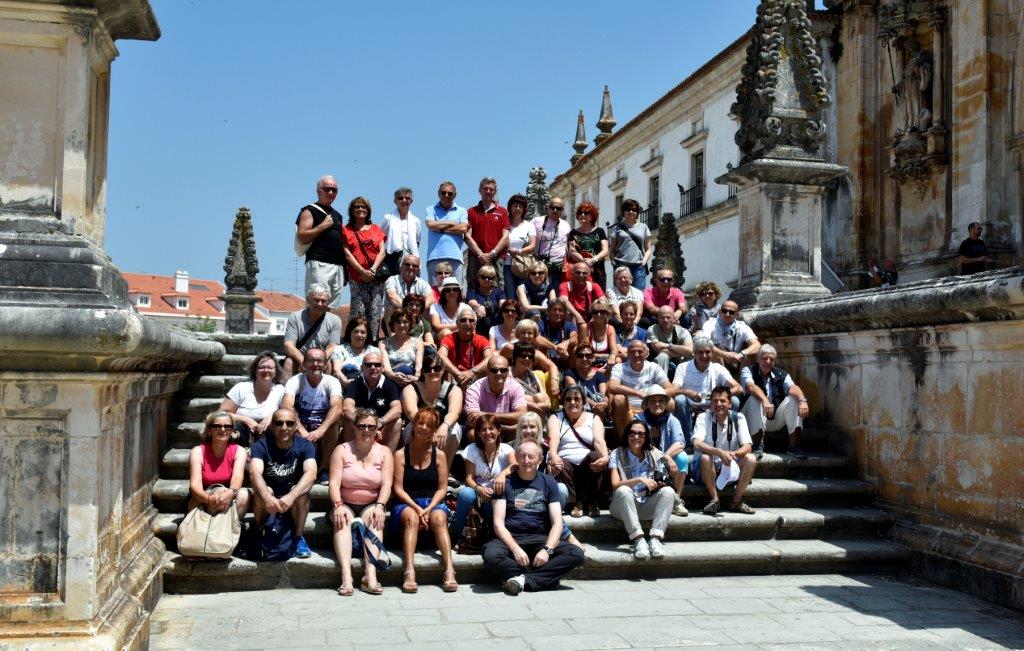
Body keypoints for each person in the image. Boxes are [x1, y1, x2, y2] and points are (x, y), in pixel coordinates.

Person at [483, 440, 586, 595]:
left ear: (540, 459)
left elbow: (557, 522)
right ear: (516, 458)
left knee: (576, 554)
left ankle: (523, 580)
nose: (526, 460)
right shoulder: (504, 483)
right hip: (510, 537)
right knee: (491, 556)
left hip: (539, 537)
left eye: (531, 456)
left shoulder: (548, 482)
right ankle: (543, 578)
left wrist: (547, 550)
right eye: (522, 456)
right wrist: (515, 549)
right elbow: (498, 524)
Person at [328, 409, 393, 596]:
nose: (366, 430)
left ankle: (370, 576)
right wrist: (338, 505)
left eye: (371, 427)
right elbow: (334, 483)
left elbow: (387, 484)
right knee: (342, 519)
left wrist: (380, 506)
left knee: (376, 519)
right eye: (362, 426)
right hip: (345, 502)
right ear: (354, 428)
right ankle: (346, 576)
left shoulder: (384, 452)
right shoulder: (341, 450)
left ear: (377, 429)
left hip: (371, 503)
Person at [392, 408, 457, 593]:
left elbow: (442, 488)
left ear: (434, 430)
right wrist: (418, 509)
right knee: (412, 518)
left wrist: (428, 508)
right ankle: (409, 571)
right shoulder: (400, 454)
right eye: (420, 423)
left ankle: (449, 570)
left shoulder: (440, 455)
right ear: (413, 425)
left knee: (439, 518)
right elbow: (398, 488)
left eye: (429, 425)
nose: (424, 428)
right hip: (407, 502)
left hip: (432, 502)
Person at [250, 407, 317, 560]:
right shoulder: (261, 445)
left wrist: (291, 496)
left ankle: (298, 537)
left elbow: (311, 473)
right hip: (270, 497)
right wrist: (268, 497)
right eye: (279, 423)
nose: (284, 427)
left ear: (296, 426)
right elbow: (254, 473)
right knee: (263, 490)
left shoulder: (305, 445)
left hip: (292, 498)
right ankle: (262, 533)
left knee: (300, 492)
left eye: (289, 423)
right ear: (272, 426)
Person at [609, 419, 677, 560]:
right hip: (622, 506)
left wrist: (667, 460)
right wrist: (638, 480)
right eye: (632, 433)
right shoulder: (617, 453)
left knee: (668, 491)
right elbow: (615, 485)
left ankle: (655, 539)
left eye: (641, 434)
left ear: (646, 437)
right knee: (623, 490)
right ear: (627, 435)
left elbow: (661, 455)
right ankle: (639, 539)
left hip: (646, 504)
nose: (636, 437)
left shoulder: (652, 453)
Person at [692, 386, 757, 515]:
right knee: (706, 457)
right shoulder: (703, 417)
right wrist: (719, 452)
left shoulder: (738, 418)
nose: (718, 404)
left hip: (729, 467)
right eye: (715, 401)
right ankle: (715, 500)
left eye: (722, 401)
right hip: (706, 469)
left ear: (730, 404)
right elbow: (696, 443)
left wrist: (733, 454)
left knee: (751, 459)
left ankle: (736, 501)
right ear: (710, 403)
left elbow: (747, 446)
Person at [451, 414, 514, 545]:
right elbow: (468, 478)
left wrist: (502, 474)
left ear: (498, 430)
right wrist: (479, 489)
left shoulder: (506, 449)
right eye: (483, 430)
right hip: (479, 495)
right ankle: (457, 534)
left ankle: (494, 534)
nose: (488, 433)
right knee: (465, 493)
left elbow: (515, 466)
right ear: (478, 433)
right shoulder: (472, 449)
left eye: (491, 429)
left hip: (498, 496)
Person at [547, 385, 609, 518]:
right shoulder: (556, 418)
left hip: (588, 465)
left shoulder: (593, 418)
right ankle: (576, 502)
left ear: (583, 402)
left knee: (596, 456)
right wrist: (553, 455)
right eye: (568, 399)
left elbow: (599, 441)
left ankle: (592, 501)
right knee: (558, 462)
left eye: (577, 399)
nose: (573, 402)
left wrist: (605, 456)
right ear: (563, 402)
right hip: (566, 466)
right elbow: (553, 439)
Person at [281, 348, 343, 478]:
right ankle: (296, 468)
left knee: (334, 423)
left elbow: (337, 408)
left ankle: (324, 469)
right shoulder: (296, 380)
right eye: (311, 361)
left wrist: (320, 431)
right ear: (304, 364)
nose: (315, 364)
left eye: (319, 361)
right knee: (286, 421)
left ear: (325, 365)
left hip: (322, 426)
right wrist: (301, 429)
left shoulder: (332, 381)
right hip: (300, 425)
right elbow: (286, 405)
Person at [740, 344, 809, 459]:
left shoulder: (781, 374)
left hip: (772, 417)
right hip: (751, 418)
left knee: (793, 399)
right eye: (764, 358)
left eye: (771, 359)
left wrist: (802, 400)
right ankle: (757, 445)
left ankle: (794, 445)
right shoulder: (748, 370)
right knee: (754, 398)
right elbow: (750, 387)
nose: (768, 361)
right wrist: (764, 400)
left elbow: (792, 387)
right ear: (757, 359)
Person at [672, 336, 742, 446]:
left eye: (707, 352)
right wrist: (686, 392)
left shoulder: (717, 368)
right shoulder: (683, 367)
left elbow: (738, 387)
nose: (704, 356)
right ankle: (688, 441)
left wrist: (717, 397)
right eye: (700, 352)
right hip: (690, 406)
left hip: (712, 405)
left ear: (712, 353)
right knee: (680, 400)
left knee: (734, 401)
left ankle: (726, 440)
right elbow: (673, 390)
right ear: (694, 353)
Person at [632, 386, 689, 516]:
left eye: (661, 401)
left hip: (665, 461)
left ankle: (676, 500)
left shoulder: (672, 419)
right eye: (653, 401)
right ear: (647, 404)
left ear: (665, 403)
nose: (657, 404)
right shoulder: (638, 419)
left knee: (683, 457)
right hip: (644, 459)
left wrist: (665, 456)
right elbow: (636, 444)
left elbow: (680, 443)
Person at [187, 411, 251, 524]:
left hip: (228, 496)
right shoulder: (198, 451)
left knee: (244, 495)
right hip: (203, 497)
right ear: (209, 430)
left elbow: (237, 479)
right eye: (217, 426)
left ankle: (230, 528)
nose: (222, 429)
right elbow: (195, 486)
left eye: (227, 426)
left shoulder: (239, 451)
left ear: (232, 431)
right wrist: (209, 499)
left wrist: (229, 494)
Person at [401, 350, 463, 461]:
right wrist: (430, 430)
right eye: (427, 369)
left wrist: (445, 426)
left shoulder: (454, 390)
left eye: (437, 368)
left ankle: (444, 468)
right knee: (412, 427)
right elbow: (411, 413)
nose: (432, 372)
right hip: (419, 426)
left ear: (443, 370)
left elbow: (454, 412)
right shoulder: (411, 389)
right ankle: (416, 465)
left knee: (455, 429)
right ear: (423, 372)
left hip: (443, 431)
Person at [608, 340, 676, 439]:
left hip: (650, 407)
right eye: (632, 351)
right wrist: (638, 393)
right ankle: (623, 440)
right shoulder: (619, 368)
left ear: (647, 354)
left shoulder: (654, 367)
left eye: (640, 351)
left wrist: (650, 395)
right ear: (628, 354)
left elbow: (671, 389)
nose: (636, 355)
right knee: (618, 399)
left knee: (670, 402)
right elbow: (612, 386)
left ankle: (662, 438)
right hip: (628, 409)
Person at [342, 197, 388, 342]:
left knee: (375, 313)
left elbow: (382, 251)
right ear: (352, 210)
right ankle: (355, 343)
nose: (360, 209)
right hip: (357, 278)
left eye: (364, 207)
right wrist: (362, 271)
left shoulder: (375, 229)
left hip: (376, 278)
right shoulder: (346, 230)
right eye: (357, 207)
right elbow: (347, 254)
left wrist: (372, 270)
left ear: (368, 211)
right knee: (358, 312)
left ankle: (372, 344)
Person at [295, 175, 345, 307]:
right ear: (318, 191)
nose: (331, 192)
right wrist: (322, 226)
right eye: (327, 189)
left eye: (334, 190)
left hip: (338, 267)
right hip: (319, 264)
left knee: (331, 309)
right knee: (316, 306)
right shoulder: (309, 210)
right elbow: (302, 236)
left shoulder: (338, 215)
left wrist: (345, 270)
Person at [219, 351, 285, 445]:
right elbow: (221, 413)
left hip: (269, 436)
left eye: (270, 368)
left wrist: (271, 417)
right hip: (240, 435)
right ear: (255, 371)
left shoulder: (281, 390)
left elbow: (288, 412)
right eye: (262, 367)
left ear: (275, 372)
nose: (266, 370)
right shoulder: (241, 388)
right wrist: (246, 420)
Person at [341, 351, 402, 450]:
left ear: (383, 368)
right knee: (348, 420)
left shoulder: (390, 385)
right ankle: (349, 455)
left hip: (381, 429)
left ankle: (387, 457)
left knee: (398, 422)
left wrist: (379, 423)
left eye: (377, 365)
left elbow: (397, 409)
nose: (373, 367)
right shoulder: (354, 384)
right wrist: (367, 425)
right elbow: (347, 408)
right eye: (368, 365)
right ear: (362, 368)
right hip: (359, 428)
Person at [282, 284, 342, 379]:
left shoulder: (335, 320)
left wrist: (319, 360)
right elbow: (288, 345)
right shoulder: (295, 317)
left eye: (323, 301)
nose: (319, 304)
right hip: (300, 358)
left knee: (329, 364)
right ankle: (286, 388)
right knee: (289, 362)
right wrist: (304, 362)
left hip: (322, 358)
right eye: (316, 300)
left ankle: (326, 388)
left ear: (328, 302)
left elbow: (333, 346)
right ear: (308, 300)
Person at [464, 355, 527, 437]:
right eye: (494, 370)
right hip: (486, 432)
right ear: (487, 372)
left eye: (503, 370)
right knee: (472, 434)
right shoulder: (475, 389)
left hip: (508, 432)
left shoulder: (516, 387)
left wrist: (485, 415)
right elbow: (474, 420)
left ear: (508, 372)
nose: (499, 373)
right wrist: (506, 425)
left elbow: (522, 415)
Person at [465, 177, 510, 293]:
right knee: (473, 289)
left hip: (496, 258)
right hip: (475, 258)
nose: (488, 191)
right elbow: (467, 236)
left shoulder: (503, 211)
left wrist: (492, 253)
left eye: (491, 189)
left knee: (497, 290)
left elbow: (505, 236)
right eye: (485, 188)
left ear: (495, 192)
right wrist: (480, 254)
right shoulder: (471, 211)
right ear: (480, 190)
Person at [425, 181, 469, 286]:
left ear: (455, 195)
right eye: (443, 192)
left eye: (450, 193)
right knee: (435, 292)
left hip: (455, 257)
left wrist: (440, 228)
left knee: (456, 290)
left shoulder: (462, 211)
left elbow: (463, 228)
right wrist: (451, 223)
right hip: (434, 257)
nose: (446, 195)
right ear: (438, 193)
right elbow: (430, 225)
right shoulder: (430, 209)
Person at [700, 299, 761, 374]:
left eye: (731, 312)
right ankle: (722, 380)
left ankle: (744, 380)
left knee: (750, 356)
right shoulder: (710, 324)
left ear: (737, 315)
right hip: (716, 361)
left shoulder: (742, 326)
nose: (727, 314)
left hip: (735, 359)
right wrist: (724, 354)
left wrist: (741, 354)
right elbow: (703, 343)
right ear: (720, 312)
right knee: (713, 353)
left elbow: (757, 345)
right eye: (724, 311)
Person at [437, 307, 493, 388]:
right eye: (463, 320)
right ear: (457, 323)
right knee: (446, 371)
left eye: (471, 320)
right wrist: (457, 373)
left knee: (489, 366)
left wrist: (472, 372)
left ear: (475, 324)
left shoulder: (481, 339)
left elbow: (490, 358)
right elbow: (440, 355)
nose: (467, 323)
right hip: (454, 376)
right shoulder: (449, 338)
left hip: (475, 377)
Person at [608, 198, 653, 289]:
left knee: (639, 294)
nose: (631, 211)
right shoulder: (617, 228)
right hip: (620, 265)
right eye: (628, 209)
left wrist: (644, 262)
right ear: (623, 211)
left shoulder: (643, 227)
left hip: (638, 266)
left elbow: (648, 249)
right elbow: (611, 250)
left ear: (637, 212)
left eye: (634, 210)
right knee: (620, 293)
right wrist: (613, 262)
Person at [566, 201, 609, 290]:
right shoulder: (573, 232)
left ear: (592, 216)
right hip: (580, 273)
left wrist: (593, 260)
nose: (582, 215)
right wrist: (585, 262)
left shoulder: (600, 231)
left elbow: (605, 250)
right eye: (580, 213)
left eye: (586, 213)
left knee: (599, 296)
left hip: (598, 272)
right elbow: (571, 251)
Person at [380, 187, 421, 278]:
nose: (404, 200)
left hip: (410, 259)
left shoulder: (416, 221)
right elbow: (379, 239)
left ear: (411, 201)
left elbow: (417, 242)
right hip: (391, 258)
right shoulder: (388, 218)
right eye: (400, 198)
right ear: (395, 201)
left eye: (407, 198)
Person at [532, 197, 571, 288]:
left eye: (558, 208)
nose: (555, 210)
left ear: (562, 210)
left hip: (559, 268)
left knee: (557, 294)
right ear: (548, 207)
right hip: (540, 267)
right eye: (552, 207)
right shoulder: (536, 221)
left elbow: (570, 246)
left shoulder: (566, 225)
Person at [562, 344, 609, 420]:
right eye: (580, 356)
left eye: (588, 356)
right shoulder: (570, 374)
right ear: (576, 358)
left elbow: (604, 395)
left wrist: (604, 403)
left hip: (597, 412)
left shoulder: (600, 376)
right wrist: (593, 404)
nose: (584, 359)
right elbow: (574, 393)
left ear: (593, 358)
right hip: (577, 411)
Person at [384, 254, 433, 327]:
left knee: (428, 309)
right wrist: (410, 312)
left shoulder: (423, 283)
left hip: (416, 318)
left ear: (418, 269)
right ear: (401, 266)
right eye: (407, 264)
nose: (410, 267)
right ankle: (393, 333)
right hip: (397, 320)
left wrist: (417, 310)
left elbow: (431, 299)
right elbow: (392, 297)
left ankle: (425, 331)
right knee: (390, 307)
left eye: (414, 266)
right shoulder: (392, 280)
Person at [331, 317, 381, 387]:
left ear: (367, 334)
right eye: (356, 331)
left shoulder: (374, 351)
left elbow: (379, 372)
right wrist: (346, 382)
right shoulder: (340, 349)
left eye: (363, 332)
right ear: (350, 333)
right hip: (346, 387)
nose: (359, 335)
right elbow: (337, 371)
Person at [503, 193, 536, 298]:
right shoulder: (504, 223)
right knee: (511, 296)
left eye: (520, 206)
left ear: (524, 209)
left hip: (523, 265)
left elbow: (532, 245)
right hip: (507, 265)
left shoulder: (529, 225)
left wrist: (518, 251)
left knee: (525, 296)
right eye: (515, 206)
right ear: (510, 207)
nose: (517, 209)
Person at [380, 309, 423, 388]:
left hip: (410, 379)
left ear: (410, 324)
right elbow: (385, 365)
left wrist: (416, 377)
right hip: (391, 379)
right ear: (393, 324)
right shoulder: (383, 343)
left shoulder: (418, 343)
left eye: (405, 322)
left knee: (406, 369)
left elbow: (418, 365)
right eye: (398, 322)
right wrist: (393, 376)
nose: (402, 325)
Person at [646, 306, 694, 376]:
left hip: (679, 363)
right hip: (661, 364)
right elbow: (660, 350)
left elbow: (690, 350)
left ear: (674, 318)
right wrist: (683, 353)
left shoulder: (682, 331)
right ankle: (662, 382)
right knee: (663, 356)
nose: (665, 320)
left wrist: (668, 346)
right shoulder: (653, 329)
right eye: (662, 317)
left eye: (668, 317)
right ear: (658, 319)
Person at [559, 262, 606, 326]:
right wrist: (577, 315)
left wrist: (594, 316)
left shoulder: (594, 286)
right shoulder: (565, 285)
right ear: (572, 273)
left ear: (589, 274)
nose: (581, 275)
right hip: (572, 319)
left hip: (590, 319)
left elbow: (604, 301)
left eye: (584, 273)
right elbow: (563, 300)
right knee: (568, 314)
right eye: (578, 272)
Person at [510, 342, 550, 415]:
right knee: (529, 398)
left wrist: (541, 405)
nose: (527, 358)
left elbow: (546, 399)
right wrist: (533, 405)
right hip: (517, 411)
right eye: (523, 355)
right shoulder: (508, 374)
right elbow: (509, 398)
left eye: (530, 356)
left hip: (538, 410)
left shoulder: (532, 375)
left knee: (539, 397)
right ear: (515, 358)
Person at [429, 277, 472, 341]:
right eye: (448, 290)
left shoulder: (466, 307)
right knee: (446, 333)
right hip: (441, 341)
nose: (452, 292)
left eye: (455, 289)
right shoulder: (435, 307)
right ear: (443, 293)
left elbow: (472, 327)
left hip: (462, 340)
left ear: (459, 292)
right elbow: (436, 327)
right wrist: (462, 325)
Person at [538, 297, 579, 364]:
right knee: (540, 348)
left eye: (560, 310)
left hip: (564, 359)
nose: (557, 313)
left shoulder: (569, 325)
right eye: (554, 310)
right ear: (548, 312)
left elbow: (575, 338)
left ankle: (571, 370)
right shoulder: (542, 324)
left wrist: (566, 343)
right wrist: (556, 347)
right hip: (547, 361)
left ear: (565, 314)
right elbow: (537, 338)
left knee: (574, 348)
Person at [581, 297, 617, 373]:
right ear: (592, 313)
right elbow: (585, 351)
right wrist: (606, 355)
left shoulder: (610, 328)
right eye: (595, 312)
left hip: (604, 363)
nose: (599, 314)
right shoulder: (585, 328)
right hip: (589, 362)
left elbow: (614, 350)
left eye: (602, 312)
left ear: (607, 314)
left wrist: (612, 356)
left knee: (618, 360)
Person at [466, 264, 504, 334]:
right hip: (479, 327)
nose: (486, 280)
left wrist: (486, 309)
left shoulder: (498, 291)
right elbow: (472, 303)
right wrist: (480, 307)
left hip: (496, 327)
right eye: (483, 277)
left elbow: (503, 304)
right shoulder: (472, 292)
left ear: (494, 279)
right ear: (478, 277)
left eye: (490, 278)